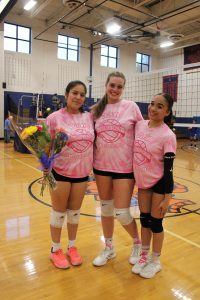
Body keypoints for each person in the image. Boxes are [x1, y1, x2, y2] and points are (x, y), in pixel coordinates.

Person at [91, 71, 143, 267]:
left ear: (123, 89)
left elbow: (144, 132)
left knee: (121, 212)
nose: (115, 89)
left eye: (119, 86)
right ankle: (109, 248)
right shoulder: (96, 110)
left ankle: (137, 243)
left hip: (124, 168)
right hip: (101, 167)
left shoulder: (131, 107)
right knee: (106, 210)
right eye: (112, 85)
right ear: (106, 85)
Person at [45, 80, 94, 269]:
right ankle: (55, 250)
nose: (78, 97)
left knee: (74, 213)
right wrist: (44, 164)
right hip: (60, 172)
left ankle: (72, 247)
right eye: (75, 93)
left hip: (81, 173)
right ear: (66, 95)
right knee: (58, 213)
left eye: (82, 94)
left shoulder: (89, 117)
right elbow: (46, 145)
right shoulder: (54, 118)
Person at [132, 93, 176, 278]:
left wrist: (167, 199)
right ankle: (143, 255)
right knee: (144, 220)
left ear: (166, 112)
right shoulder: (140, 125)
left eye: (159, 106)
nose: (153, 108)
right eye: (152, 104)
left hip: (159, 183)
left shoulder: (168, 135)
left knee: (156, 223)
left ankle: (155, 261)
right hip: (143, 183)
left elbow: (169, 171)